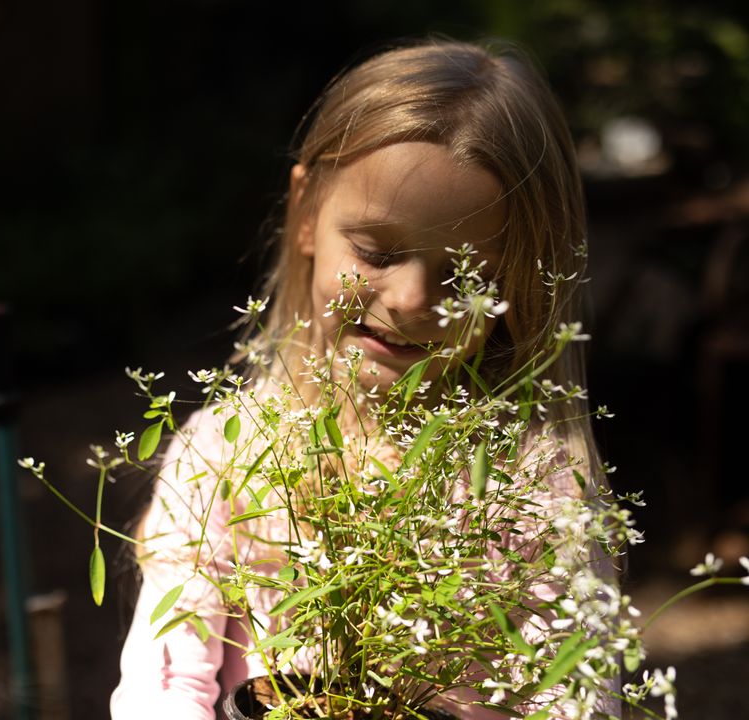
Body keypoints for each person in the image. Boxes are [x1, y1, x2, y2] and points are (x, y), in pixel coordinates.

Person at [110, 38, 609, 720]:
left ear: (522, 286)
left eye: (469, 277)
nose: (409, 298)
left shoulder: (532, 484)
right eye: (377, 252)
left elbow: (574, 701)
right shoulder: (224, 452)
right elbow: (164, 684)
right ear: (308, 212)